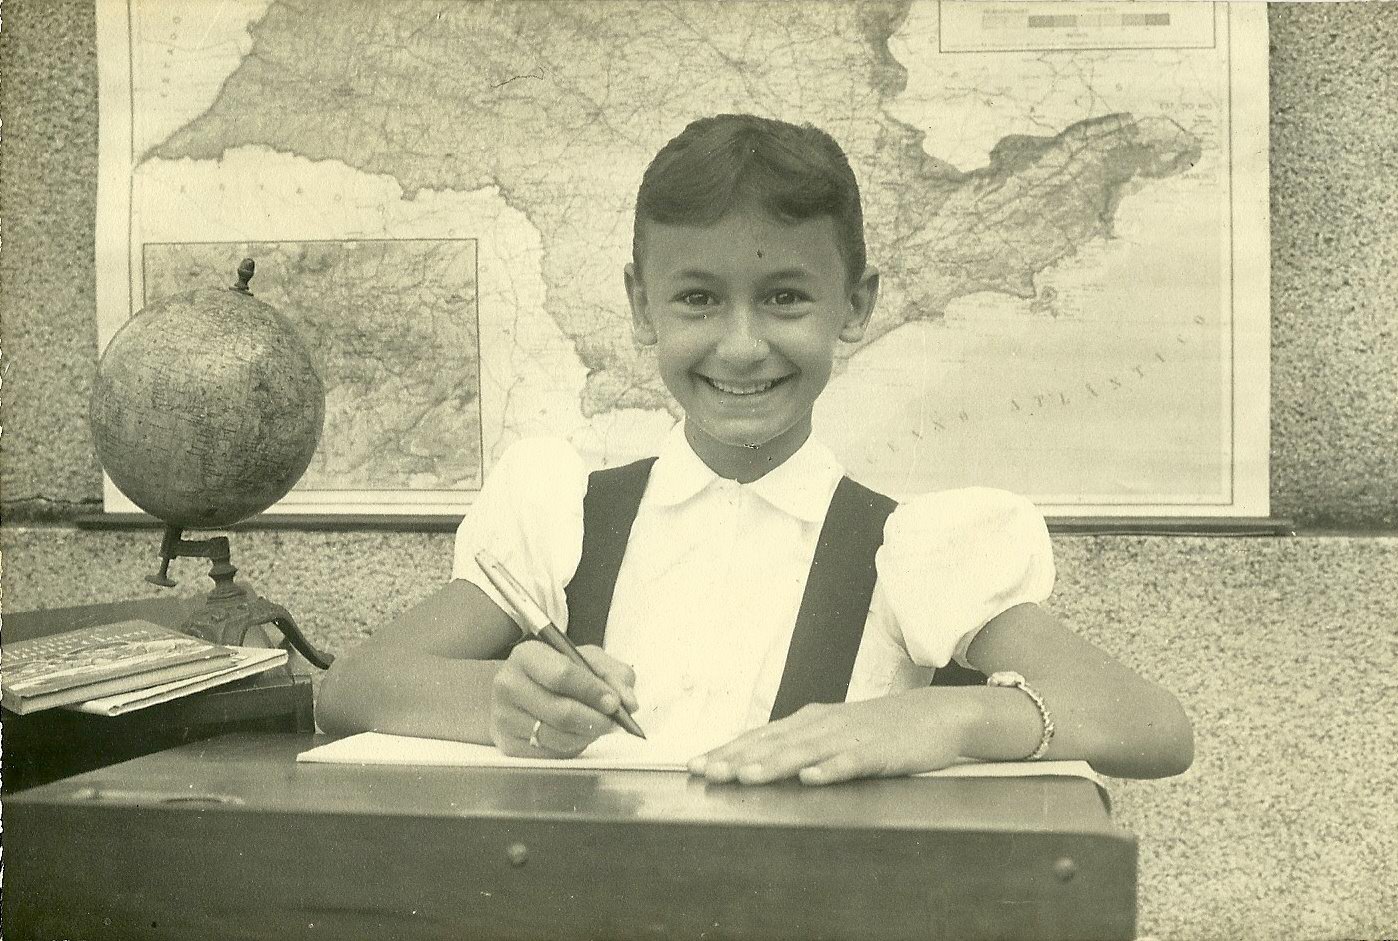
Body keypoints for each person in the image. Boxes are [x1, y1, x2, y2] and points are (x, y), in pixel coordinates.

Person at [317, 113, 1193, 786]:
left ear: (855, 305)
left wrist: (941, 721)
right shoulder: (566, 518)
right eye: (698, 299)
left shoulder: (912, 550)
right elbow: (351, 686)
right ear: (642, 306)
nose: (741, 346)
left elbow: (1154, 726)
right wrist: (504, 701)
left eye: (784, 298)